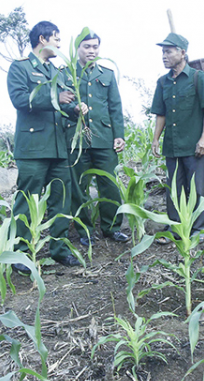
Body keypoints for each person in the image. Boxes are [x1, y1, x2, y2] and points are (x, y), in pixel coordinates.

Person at [7, 20, 88, 270]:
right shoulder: (20, 68)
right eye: (57, 39)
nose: (60, 44)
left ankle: (59, 250)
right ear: (42, 39)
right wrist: (55, 98)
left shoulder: (56, 72)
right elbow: (20, 99)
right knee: (27, 201)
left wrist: (75, 109)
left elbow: (63, 106)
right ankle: (20, 254)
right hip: (33, 148)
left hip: (58, 148)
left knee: (61, 201)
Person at [64, 31, 129, 246]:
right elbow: (60, 104)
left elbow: (115, 106)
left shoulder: (107, 74)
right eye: (87, 47)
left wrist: (119, 135)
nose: (92, 51)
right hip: (77, 138)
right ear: (77, 49)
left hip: (104, 137)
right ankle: (85, 231)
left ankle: (112, 228)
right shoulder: (66, 73)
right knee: (79, 185)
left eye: (95, 47)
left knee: (109, 183)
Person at [150, 33, 204, 243]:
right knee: (174, 191)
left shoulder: (198, 77)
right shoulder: (163, 82)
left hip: (196, 146)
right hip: (173, 146)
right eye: (162, 52)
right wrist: (156, 139)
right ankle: (174, 229)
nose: (163, 56)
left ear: (182, 53)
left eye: (168, 52)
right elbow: (161, 114)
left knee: (198, 189)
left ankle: (199, 230)